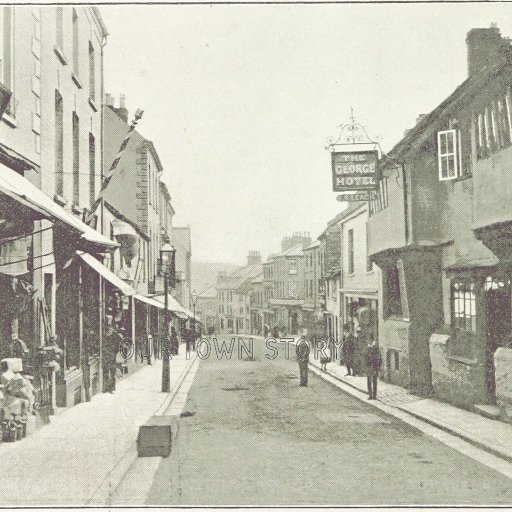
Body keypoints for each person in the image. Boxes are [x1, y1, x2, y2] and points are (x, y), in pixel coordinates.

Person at [104, 324, 122, 393]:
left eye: (110, 330)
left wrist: (116, 352)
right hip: (107, 356)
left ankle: (111, 388)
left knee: (112, 372)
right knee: (107, 372)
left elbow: (120, 345)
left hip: (112, 356)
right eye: (108, 330)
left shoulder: (115, 337)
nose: (108, 331)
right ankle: (108, 387)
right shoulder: (106, 336)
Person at [364, 335, 382, 400]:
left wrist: (378, 367)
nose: (369, 341)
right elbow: (364, 358)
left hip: (374, 367)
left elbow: (379, 358)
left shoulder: (375, 348)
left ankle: (374, 395)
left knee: (374, 381)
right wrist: (365, 366)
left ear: (372, 340)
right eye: (368, 340)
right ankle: (370, 395)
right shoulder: (366, 348)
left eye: (370, 340)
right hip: (368, 367)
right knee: (369, 381)